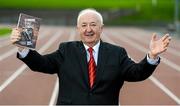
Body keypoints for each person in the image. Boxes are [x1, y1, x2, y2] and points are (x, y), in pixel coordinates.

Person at [10, 8, 171, 105]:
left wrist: (151, 56)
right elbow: (42, 63)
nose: (88, 29)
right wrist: (23, 49)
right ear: (78, 29)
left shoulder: (117, 53)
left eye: (93, 25)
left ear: (101, 28)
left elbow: (137, 73)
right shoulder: (66, 50)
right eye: (84, 25)